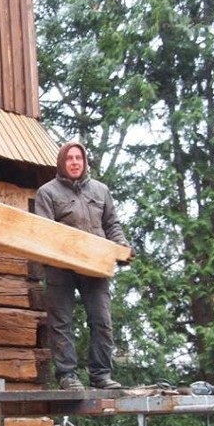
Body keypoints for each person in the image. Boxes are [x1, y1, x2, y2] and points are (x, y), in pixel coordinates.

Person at [34, 141, 133, 391]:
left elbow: (112, 224)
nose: (75, 162)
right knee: (61, 321)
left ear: (85, 161)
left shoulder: (101, 191)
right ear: (61, 163)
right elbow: (42, 231)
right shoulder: (47, 193)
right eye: (70, 158)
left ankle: (101, 375)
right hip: (60, 265)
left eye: (79, 158)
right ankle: (67, 375)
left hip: (95, 264)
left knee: (101, 320)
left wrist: (120, 245)